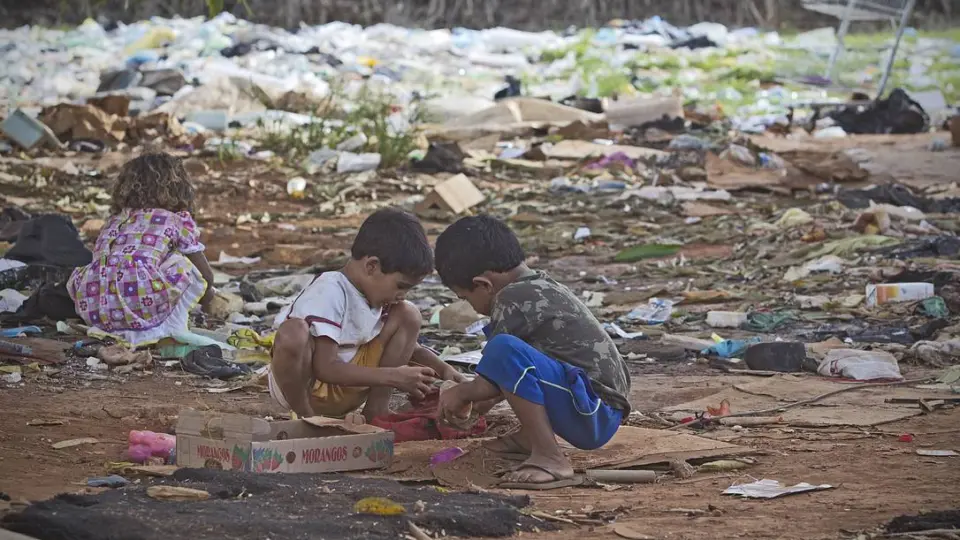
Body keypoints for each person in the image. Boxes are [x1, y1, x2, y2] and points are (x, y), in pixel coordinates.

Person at [434, 215, 631, 489]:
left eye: (466, 298)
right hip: (596, 405)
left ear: (483, 284)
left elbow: (500, 368)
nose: (471, 305)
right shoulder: (536, 286)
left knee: (503, 349)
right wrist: (478, 401)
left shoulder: (511, 298)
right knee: (507, 354)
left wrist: (462, 393)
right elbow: (506, 377)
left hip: (592, 412)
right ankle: (530, 436)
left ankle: (550, 456)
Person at [268, 208, 464, 422]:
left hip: (350, 384)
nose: (401, 295)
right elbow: (326, 367)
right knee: (293, 333)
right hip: (312, 387)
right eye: (400, 286)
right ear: (372, 266)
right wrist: (394, 376)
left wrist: (444, 369)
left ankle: (376, 410)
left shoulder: (377, 295)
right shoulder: (330, 290)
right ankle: (306, 419)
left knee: (409, 314)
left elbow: (411, 348)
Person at [67, 153, 215, 349]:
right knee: (183, 264)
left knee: (126, 266)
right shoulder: (175, 220)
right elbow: (205, 276)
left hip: (96, 307)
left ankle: (123, 328)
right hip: (140, 299)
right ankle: (168, 328)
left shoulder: (113, 221)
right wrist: (208, 298)